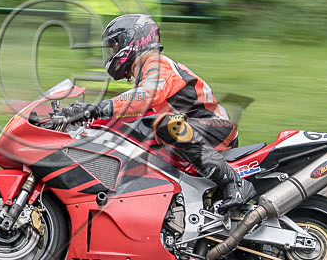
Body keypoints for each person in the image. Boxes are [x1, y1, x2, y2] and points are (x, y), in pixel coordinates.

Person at [67, 13, 255, 213]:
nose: (113, 53)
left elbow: (146, 97)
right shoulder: (146, 72)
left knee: (167, 125)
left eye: (115, 46)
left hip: (214, 127)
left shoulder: (156, 64)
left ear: (133, 40)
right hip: (196, 131)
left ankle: (234, 183)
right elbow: (131, 109)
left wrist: (97, 109)